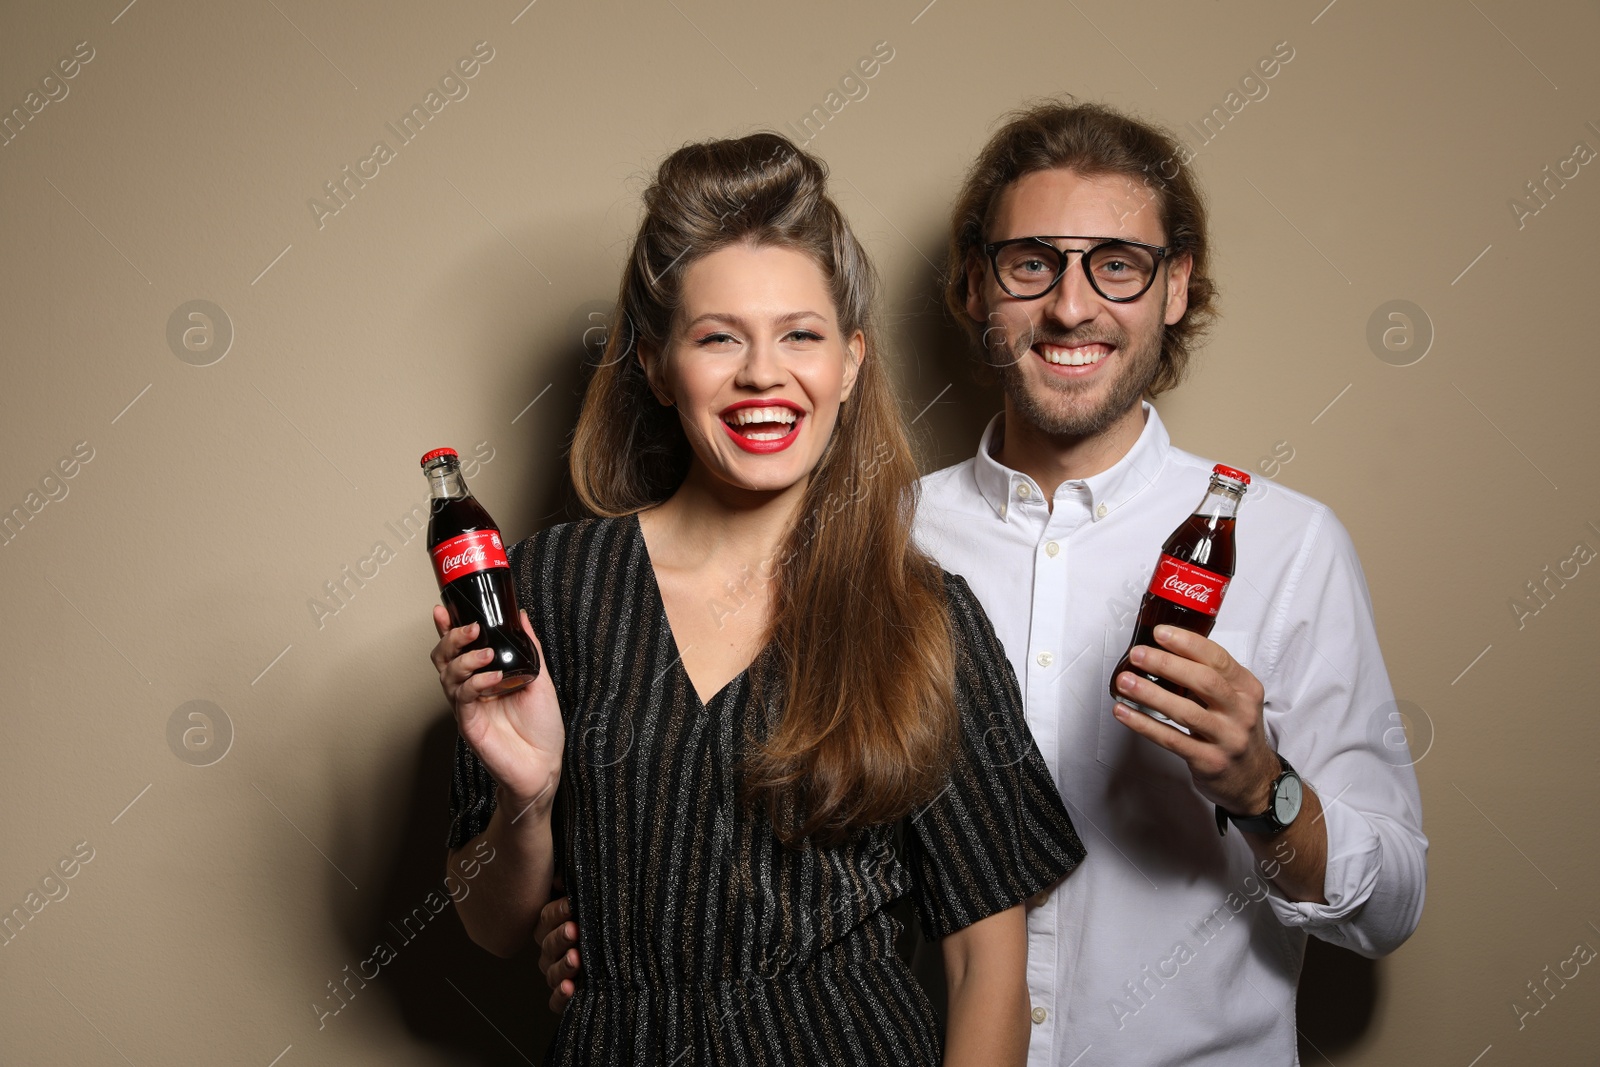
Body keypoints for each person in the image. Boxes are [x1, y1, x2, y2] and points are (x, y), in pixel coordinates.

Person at [536, 102, 1428, 1065]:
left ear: (1176, 287)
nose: (1073, 306)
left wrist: (1264, 788)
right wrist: (610, 931)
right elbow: (718, 818)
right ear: (974, 286)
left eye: (1117, 264)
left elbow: (1390, 908)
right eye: (1031, 263)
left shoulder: (1286, 545)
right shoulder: (873, 545)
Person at [431, 131, 1086, 1066]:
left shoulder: (926, 617)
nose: (763, 374)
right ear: (658, 366)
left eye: (801, 335)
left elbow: (989, 966)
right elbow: (495, 925)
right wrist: (526, 801)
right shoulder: (549, 587)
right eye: (718, 337)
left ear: (851, 363)